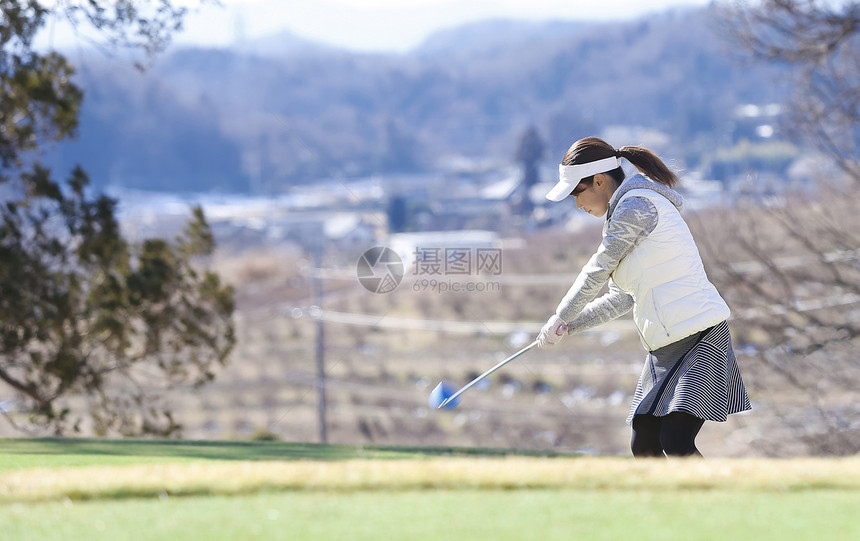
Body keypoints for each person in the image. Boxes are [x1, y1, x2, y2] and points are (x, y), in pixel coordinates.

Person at [536, 136, 751, 458]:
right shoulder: (621, 216)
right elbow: (621, 297)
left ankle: (724, 505)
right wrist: (570, 326)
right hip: (665, 340)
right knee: (645, 443)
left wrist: (561, 315)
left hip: (698, 333)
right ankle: (671, 508)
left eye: (577, 193)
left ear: (598, 181)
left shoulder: (637, 207)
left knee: (675, 441)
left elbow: (598, 269)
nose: (577, 205)